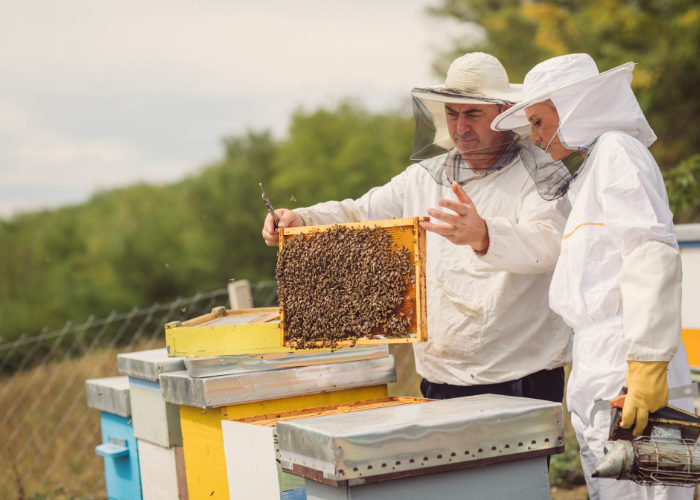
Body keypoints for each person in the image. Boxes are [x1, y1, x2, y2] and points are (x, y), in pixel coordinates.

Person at [263, 52, 573, 404]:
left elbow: (550, 246)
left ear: (503, 113)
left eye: (473, 113)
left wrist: (484, 235)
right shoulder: (424, 176)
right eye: (452, 114)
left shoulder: (541, 174)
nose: (460, 127)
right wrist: (301, 219)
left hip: (519, 375)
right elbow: (361, 212)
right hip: (439, 376)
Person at [491, 53, 693, 499]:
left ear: (578, 107)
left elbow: (649, 252)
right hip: (596, 359)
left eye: (540, 121)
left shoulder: (620, 152)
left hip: (625, 357)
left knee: (644, 491)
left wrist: (646, 363)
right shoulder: (591, 171)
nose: (537, 137)